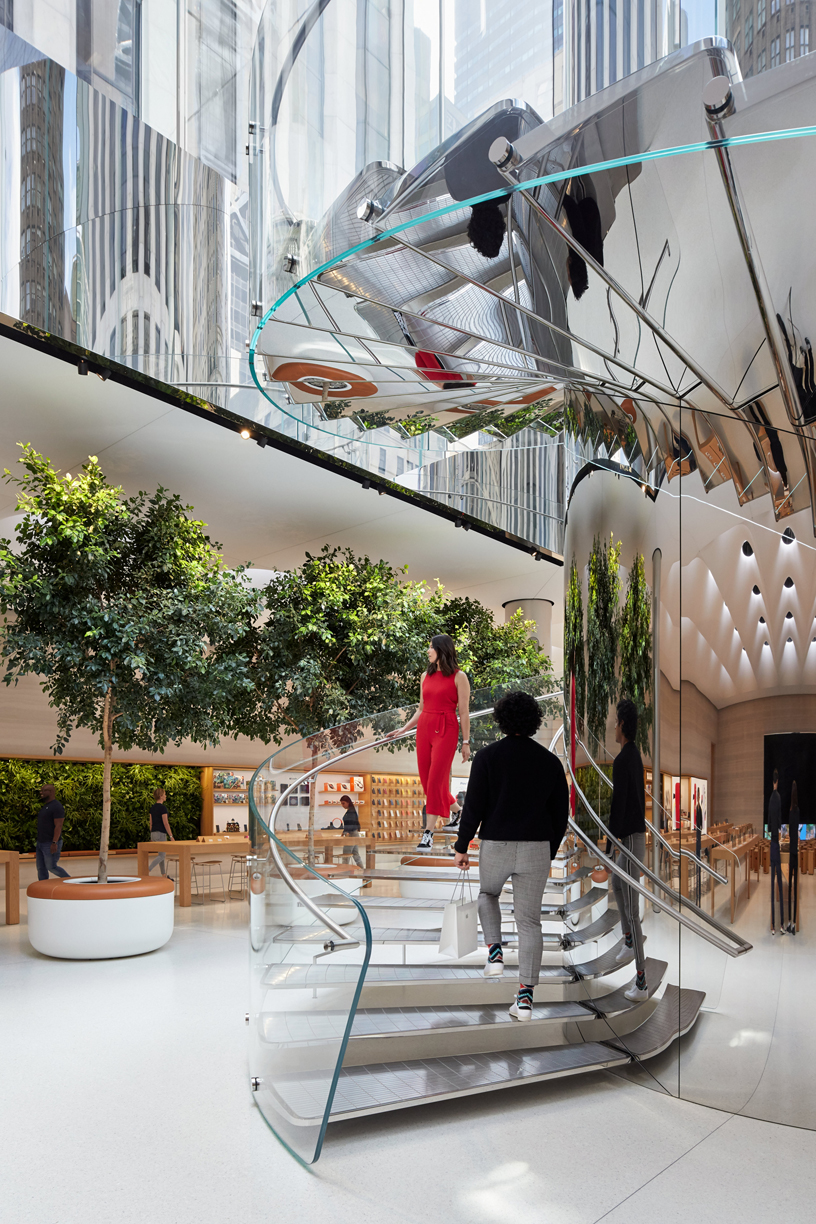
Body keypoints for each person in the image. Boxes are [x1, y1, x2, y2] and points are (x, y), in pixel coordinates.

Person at [453, 690, 569, 1022]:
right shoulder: (550, 763)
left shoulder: (487, 758)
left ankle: (495, 953)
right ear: (534, 721)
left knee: (487, 894)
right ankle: (526, 1000)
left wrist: (462, 846)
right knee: (530, 922)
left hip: (496, 845)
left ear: (502, 720)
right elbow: (560, 813)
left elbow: (472, 807)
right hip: (536, 848)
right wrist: (550, 849)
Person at [391, 635, 470, 851]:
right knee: (427, 782)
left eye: (431, 647)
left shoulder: (459, 677)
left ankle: (429, 833)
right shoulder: (425, 675)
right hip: (425, 727)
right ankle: (457, 811)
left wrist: (466, 742)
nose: (428, 651)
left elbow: (463, 711)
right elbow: (420, 708)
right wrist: (404, 729)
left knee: (435, 780)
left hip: (447, 727)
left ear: (441, 650)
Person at [609, 699, 649, 1001]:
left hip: (633, 840)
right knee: (616, 882)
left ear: (623, 725)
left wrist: (610, 842)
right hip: (633, 839)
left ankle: (642, 982)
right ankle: (627, 939)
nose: (613, 726)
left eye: (615, 721)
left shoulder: (624, 760)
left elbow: (618, 805)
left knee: (634, 912)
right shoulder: (632, 756)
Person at [35, 784, 70, 880]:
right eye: (41, 791)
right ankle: (43, 888)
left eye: (44, 790)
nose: (41, 793)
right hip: (41, 842)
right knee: (41, 868)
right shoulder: (45, 807)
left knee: (52, 867)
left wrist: (54, 842)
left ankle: (71, 881)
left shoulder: (57, 806)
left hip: (50, 842)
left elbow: (58, 825)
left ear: (51, 792)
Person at [768, 769, 785, 935]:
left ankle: (772, 926)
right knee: (780, 884)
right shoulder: (779, 798)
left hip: (771, 845)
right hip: (777, 845)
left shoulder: (770, 798)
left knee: (772, 888)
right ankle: (781, 925)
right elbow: (779, 822)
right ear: (777, 781)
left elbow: (770, 821)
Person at [148, 788, 174, 876]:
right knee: (162, 855)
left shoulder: (152, 808)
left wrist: (151, 835)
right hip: (161, 834)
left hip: (153, 833)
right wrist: (171, 836)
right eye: (164, 794)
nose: (166, 796)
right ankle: (148, 869)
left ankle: (163, 875)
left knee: (161, 855)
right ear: (161, 796)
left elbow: (151, 823)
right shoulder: (163, 808)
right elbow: (166, 823)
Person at [787, 781, 800, 935]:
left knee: (789, 887)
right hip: (796, 852)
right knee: (795, 889)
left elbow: (791, 834)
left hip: (790, 853)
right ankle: (795, 924)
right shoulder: (798, 811)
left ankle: (789, 921)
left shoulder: (790, 811)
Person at [339, 795, 363, 869]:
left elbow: (351, 824)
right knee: (355, 854)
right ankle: (362, 872)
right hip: (354, 833)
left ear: (348, 802)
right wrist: (344, 831)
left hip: (351, 834)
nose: (342, 805)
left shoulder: (351, 812)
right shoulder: (351, 811)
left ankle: (344, 872)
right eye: (341, 803)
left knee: (346, 855)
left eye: (343, 803)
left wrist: (346, 832)